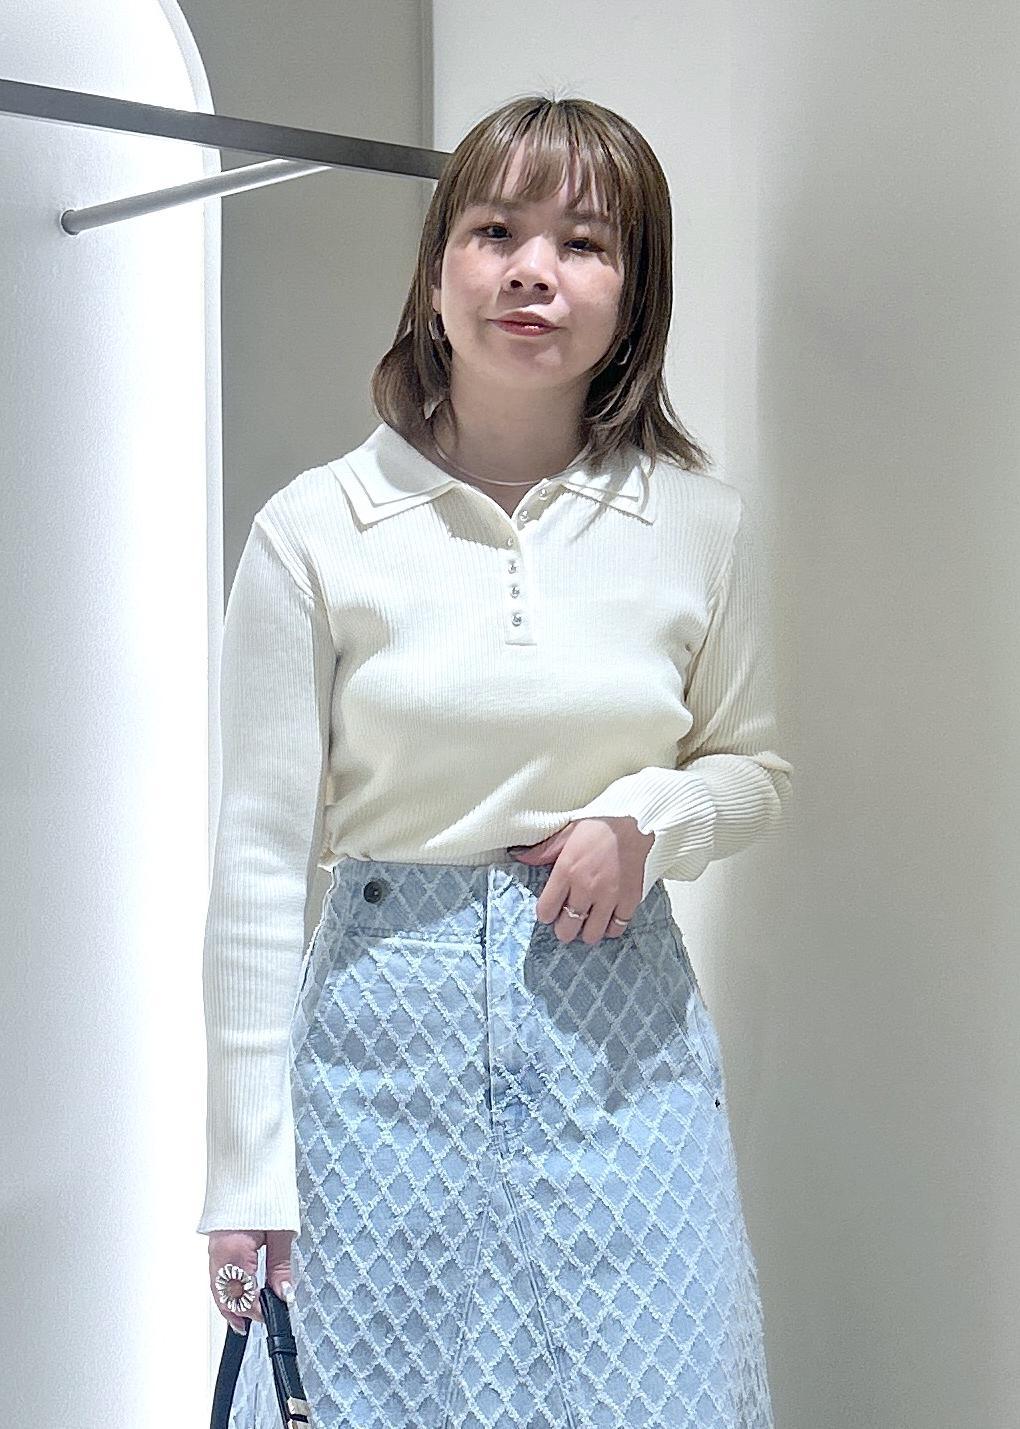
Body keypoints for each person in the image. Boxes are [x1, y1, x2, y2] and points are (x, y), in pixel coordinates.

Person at [198, 91, 793, 1428]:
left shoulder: (698, 526)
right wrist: (246, 1171)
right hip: (375, 1068)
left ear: (634, 294)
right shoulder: (316, 528)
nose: (534, 269)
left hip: (622, 1051)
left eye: (584, 242)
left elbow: (752, 766)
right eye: (495, 230)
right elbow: (258, 858)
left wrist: (648, 819)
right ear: (436, 272)